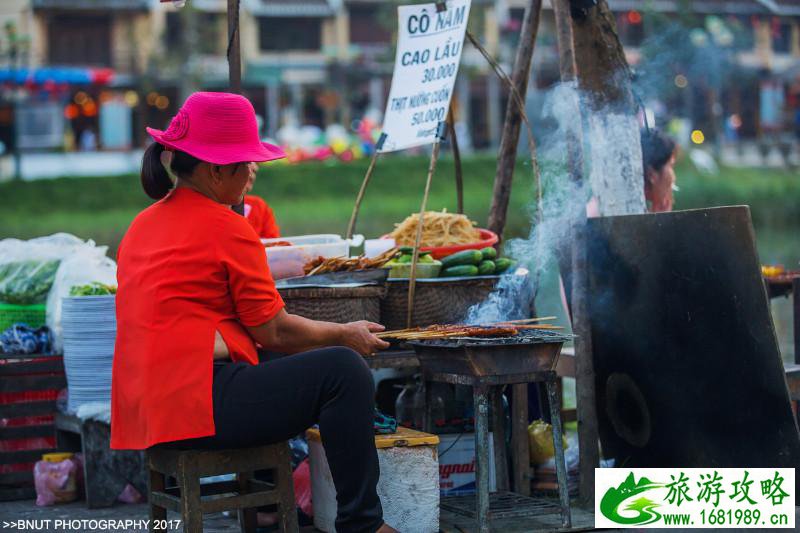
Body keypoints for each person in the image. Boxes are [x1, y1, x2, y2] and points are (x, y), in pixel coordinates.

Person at [110, 92, 395, 533]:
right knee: (343, 371)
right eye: (245, 163)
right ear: (217, 169)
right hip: (194, 406)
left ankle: (270, 499)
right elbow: (274, 330)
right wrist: (344, 333)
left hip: (147, 409)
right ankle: (363, 524)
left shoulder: (142, 224)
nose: (252, 173)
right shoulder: (227, 227)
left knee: (287, 366)